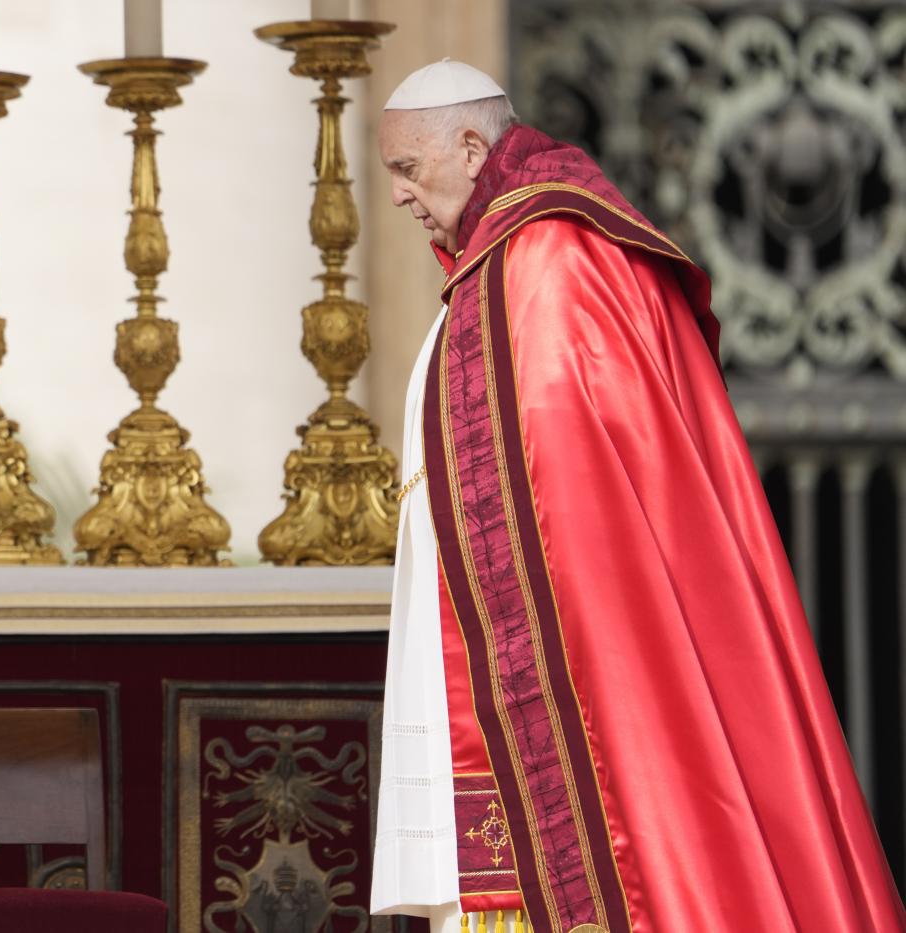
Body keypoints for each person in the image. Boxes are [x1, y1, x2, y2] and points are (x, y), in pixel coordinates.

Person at [368, 60, 905, 933]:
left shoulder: (547, 266)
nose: (397, 196)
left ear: (472, 149)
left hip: (589, 696)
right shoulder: (518, 265)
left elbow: (577, 521)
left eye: (407, 169)